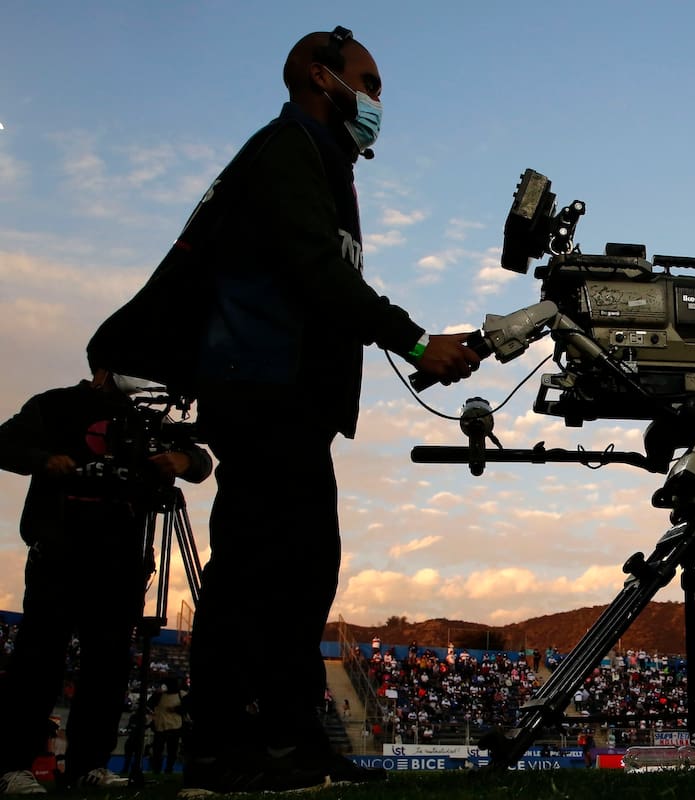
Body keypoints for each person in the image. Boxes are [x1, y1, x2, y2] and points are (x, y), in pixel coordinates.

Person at [88, 26, 481, 796]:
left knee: (301, 574)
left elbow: (322, 282)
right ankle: (222, 750)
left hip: (292, 398)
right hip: (262, 389)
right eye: (367, 84)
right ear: (317, 74)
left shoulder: (322, 160)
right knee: (256, 572)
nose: (374, 102)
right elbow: (311, 269)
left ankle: (290, 743)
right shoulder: (286, 150)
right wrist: (410, 340)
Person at [0, 368, 213, 795]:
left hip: (122, 560)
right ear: (102, 370)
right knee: (39, 659)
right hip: (59, 550)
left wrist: (185, 460)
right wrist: (44, 461)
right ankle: (13, 765)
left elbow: (201, 460)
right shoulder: (56, 404)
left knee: (109, 665)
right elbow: (5, 442)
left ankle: (89, 765)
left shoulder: (145, 417)